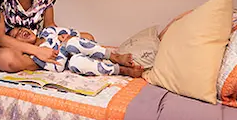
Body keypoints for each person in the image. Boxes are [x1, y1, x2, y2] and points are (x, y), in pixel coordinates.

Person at [8, 26, 144, 77]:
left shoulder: (49, 31)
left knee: (72, 42)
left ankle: (115, 56)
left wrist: (69, 38)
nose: (22, 32)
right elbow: (58, 67)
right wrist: (63, 46)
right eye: (16, 36)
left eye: (20, 28)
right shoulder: (36, 56)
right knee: (74, 63)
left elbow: (84, 36)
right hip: (81, 61)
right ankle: (120, 70)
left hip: (89, 49)